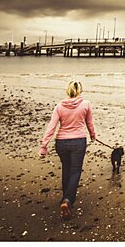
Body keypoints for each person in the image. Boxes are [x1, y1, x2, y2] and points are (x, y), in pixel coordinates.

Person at [39, 79, 96, 220]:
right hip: (78, 142)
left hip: (61, 142)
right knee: (75, 171)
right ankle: (68, 200)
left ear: (67, 90)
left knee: (66, 168)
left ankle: (65, 198)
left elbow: (51, 127)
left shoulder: (59, 106)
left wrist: (44, 146)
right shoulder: (86, 104)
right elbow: (89, 123)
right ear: (80, 91)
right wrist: (93, 136)